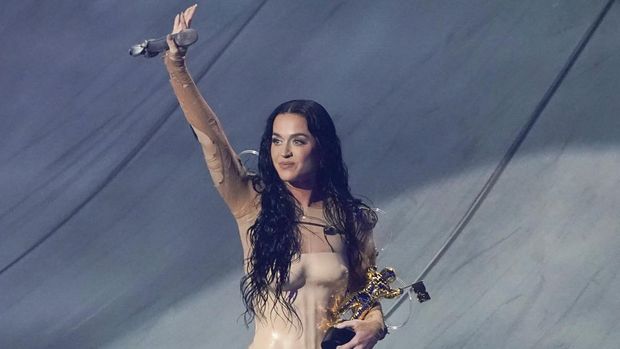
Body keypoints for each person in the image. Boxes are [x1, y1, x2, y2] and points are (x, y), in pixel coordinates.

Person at [163, 5, 387, 348]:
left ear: (322, 149)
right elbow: (214, 141)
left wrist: (376, 324)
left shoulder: (352, 219)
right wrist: (176, 66)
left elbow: (365, 293)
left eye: (298, 141)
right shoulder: (252, 204)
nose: (284, 152)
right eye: (276, 140)